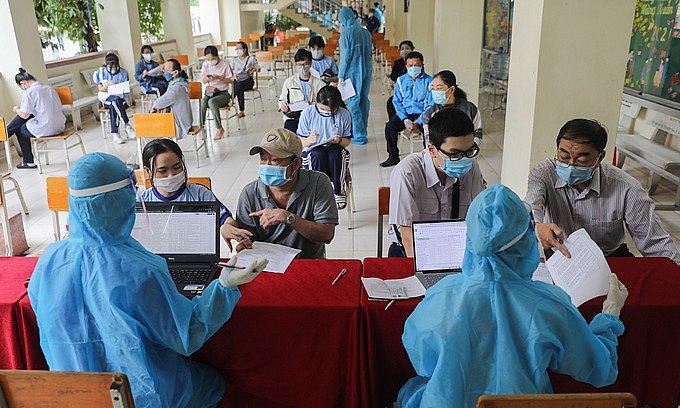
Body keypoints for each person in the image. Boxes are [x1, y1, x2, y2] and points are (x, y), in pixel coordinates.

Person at [28, 152, 269, 408]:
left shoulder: (49, 260)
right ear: (123, 199)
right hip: (143, 396)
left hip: (75, 395)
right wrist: (224, 287)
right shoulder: (140, 270)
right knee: (214, 382)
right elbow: (186, 334)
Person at [398, 183, 628, 407]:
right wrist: (610, 315)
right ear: (527, 239)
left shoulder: (440, 296)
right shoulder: (549, 303)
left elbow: (422, 361)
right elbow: (600, 370)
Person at [525, 118, 680, 264]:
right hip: (559, 253)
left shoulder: (627, 188)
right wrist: (537, 226)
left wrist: (674, 273)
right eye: (564, 157)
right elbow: (531, 207)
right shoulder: (544, 173)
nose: (571, 166)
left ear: (600, 157)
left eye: (582, 160)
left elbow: (655, 242)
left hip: (607, 257)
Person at [388, 108, 485, 257]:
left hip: (457, 247)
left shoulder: (471, 166)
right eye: (455, 154)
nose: (464, 159)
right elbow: (408, 237)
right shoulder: (408, 172)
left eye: (469, 151)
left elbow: (480, 218)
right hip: (414, 250)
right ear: (432, 150)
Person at [235, 128, 338, 259]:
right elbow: (246, 237)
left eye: (275, 160)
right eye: (263, 159)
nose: (267, 165)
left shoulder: (318, 183)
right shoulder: (249, 193)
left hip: (307, 263)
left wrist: (289, 218)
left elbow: (327, 235)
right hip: (266, 265)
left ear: (296, 164)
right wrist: (244, 242)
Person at [138, 139, 252, 250]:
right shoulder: (140, 201)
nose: (171, 175)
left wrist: (226, 227)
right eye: (163, 171)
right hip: (153, 262)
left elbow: (226, 219)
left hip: (196, 259)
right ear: (148, 171)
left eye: (177, 167)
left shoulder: (199, 194)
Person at [297, 86, 353, 209]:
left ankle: (339, 191)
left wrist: (339, 140)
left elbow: (347, 141)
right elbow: (300, 142)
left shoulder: (344, 114)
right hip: (314, 152)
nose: (326, 113)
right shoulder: (308, 113)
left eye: (330, 111)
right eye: (323, 109)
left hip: (335, 151)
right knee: (317, 153)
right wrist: (309, 140)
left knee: (335, 152)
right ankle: (316, 194)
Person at [380, 51, 433, 167]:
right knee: (390, 127)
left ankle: (429, 159)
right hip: (405, 114)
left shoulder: (430, 81)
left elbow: (430, 105)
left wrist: (418, 122)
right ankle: (393, 156)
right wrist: (404, 119)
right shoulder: (401, 80)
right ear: (406, 66)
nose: (413, 68)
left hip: (422, 115)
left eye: (416, 65)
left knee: (429, 130)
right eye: (410, 65)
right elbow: (396, 101)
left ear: (422, 65)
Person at [6, 68, 65, 169]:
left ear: (23, 83)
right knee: (25, 118)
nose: (23, 89)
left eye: (21, 87)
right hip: (60, 125)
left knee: (20, 129)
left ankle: (28, 161)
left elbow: (24, 115)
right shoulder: (49, 88)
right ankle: (4, 132)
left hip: (47, 128)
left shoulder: (30, 92)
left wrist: (16, 109)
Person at [337, 6, 372, 145]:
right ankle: (363, 130)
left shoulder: (346, 33)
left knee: (353, 102)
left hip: (352, 72)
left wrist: (341, 76)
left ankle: (358, 134)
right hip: (366, 71)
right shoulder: (365, 33)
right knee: (363, 100)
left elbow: (345, 57)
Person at [422, 70, 482, 146]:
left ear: (451, 89)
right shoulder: (430, 114)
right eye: (433, 88)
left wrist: (469, 150)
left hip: (466, 152)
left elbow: (478, 133)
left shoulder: (470, 109)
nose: (435, 92)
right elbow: (429, 142)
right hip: (441, 155)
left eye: (439, 88)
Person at [278, 49, 325, 133]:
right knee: (289, 135)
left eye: (305, 64)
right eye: (299, 65)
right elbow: (282, 99)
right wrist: (282, 104)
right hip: (293, 117)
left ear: (310, 64)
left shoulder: (320, 83)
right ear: (295, 64)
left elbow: (324, 104)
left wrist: (312, 104)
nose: (302, 67)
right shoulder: (289, 82)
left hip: (313, 117)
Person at [93, 53, 134, 144]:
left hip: (121, 99)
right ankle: (127, 126)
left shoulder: (123, 73)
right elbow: (100, 89)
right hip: (106, 98)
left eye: (114, 66)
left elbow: (126, 90)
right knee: (114, 101)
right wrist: (107, 85)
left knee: (114, 104)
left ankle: (115, 133)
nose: (112, 68)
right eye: (110, 66)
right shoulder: (101, 73)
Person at [150, 59, 192, 139]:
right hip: (181, 121)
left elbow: (159, 103)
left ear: (175, 73)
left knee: (148, 126)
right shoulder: (176, 85)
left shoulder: (177, 88)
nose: (163, 72)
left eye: (166, 70)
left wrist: (153, 104)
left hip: (179, 124)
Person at [198, 45, 232, 140]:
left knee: (212, 102)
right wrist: (208, 78)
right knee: (204, 101)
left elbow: (230, 80)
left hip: (223, 94)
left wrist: (220, 78)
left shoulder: (225, 65)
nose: (210, 61)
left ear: (217, 56)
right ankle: (201, 128)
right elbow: (203, 80)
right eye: (208, 59)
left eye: (212, 59)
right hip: (210, 92)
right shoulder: (205, 65)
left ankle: (219, 128)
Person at [229, 41, 260, 118]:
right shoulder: (234, 60)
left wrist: (254, 68)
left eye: (239, 48)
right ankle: (241, 111)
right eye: (236, 49)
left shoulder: (250, 58)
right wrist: (233, 73)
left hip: (248, 81)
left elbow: (259, 68)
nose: (237, 50)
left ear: (245, 49)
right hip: (238, 81)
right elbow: (228, 70)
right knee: (239, 87)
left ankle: (230, 99)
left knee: (238, 86)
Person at [386, 40, 414, 119]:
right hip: (402, 90)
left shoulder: (415, 63)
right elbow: (393, 77)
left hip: (414, 91)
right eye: (402, 48)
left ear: (412, 49)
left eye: (407, 48)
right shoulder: (398, 63)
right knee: (391, 102)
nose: (404, 50)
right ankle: (393, 120)